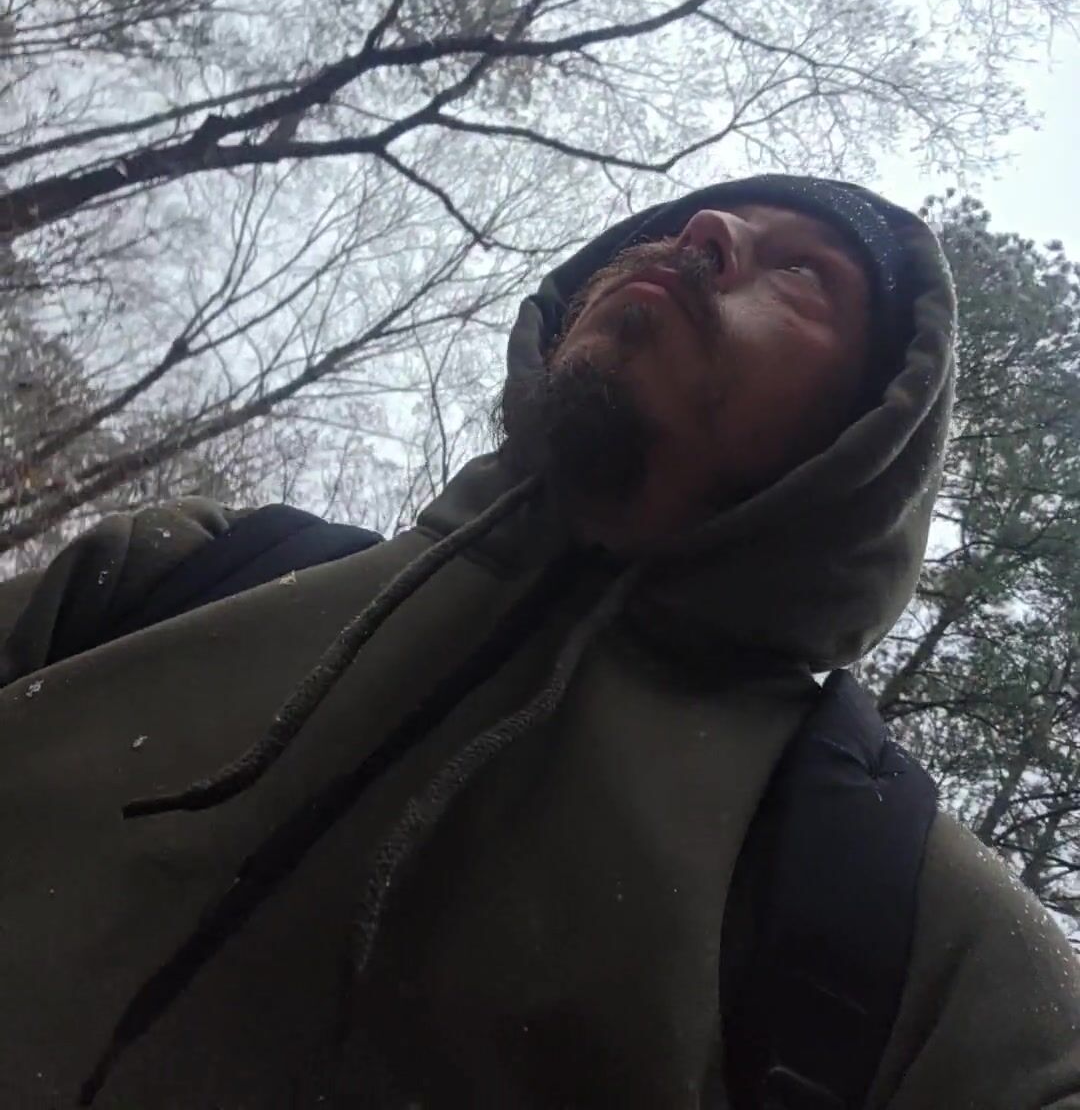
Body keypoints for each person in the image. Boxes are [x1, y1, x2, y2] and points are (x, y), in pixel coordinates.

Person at [0, 173, 1077, 1109]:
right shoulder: (190, 570)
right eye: (695, 227)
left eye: (801, 273)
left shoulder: (877, 891)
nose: (705, 233)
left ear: (869, 436)